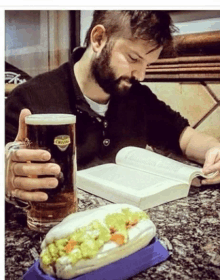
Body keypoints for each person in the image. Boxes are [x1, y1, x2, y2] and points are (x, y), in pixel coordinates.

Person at [5, 10, 220, 204]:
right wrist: (8, 173)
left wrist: (214, 150)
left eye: (148, 64)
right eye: (133, 58)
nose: (141, 75)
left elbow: (186, 138)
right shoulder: (30, 98)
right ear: (98, 39)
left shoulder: (136, 96)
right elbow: (7, 160)